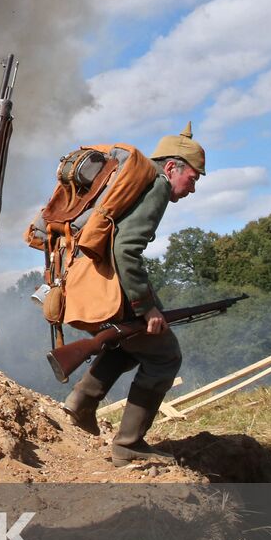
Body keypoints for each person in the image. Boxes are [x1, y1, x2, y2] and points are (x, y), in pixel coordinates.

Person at [61, 123, 205, 466]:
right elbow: (126, 249)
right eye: (194, 178)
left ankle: (80, 404)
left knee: (129, 346)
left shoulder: (139, 181)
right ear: (172, 168)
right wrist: (146, 307)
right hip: (112, 284)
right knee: (164, 356)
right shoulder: (155, 187)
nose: (193, 188)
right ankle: (128, 445)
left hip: (91, 279)